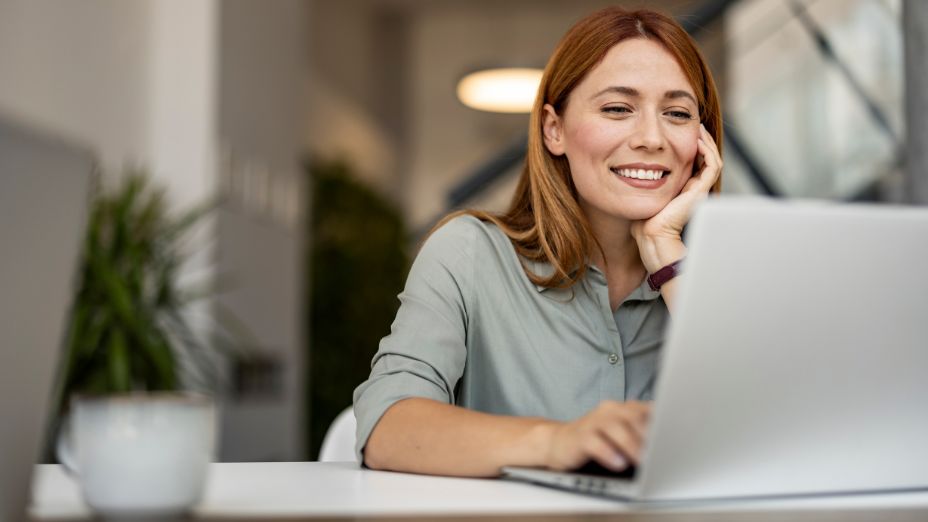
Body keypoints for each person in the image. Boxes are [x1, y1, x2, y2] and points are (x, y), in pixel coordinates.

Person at [353, 6, 723, 478]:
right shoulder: (468, 254)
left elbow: (775, 436)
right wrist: (558, 441)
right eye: (617, 108)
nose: (652, 137)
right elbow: (387, 426)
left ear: (702, 140)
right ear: (555, 130)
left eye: (677, 113)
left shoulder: (720, 275)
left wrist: (668, 254)